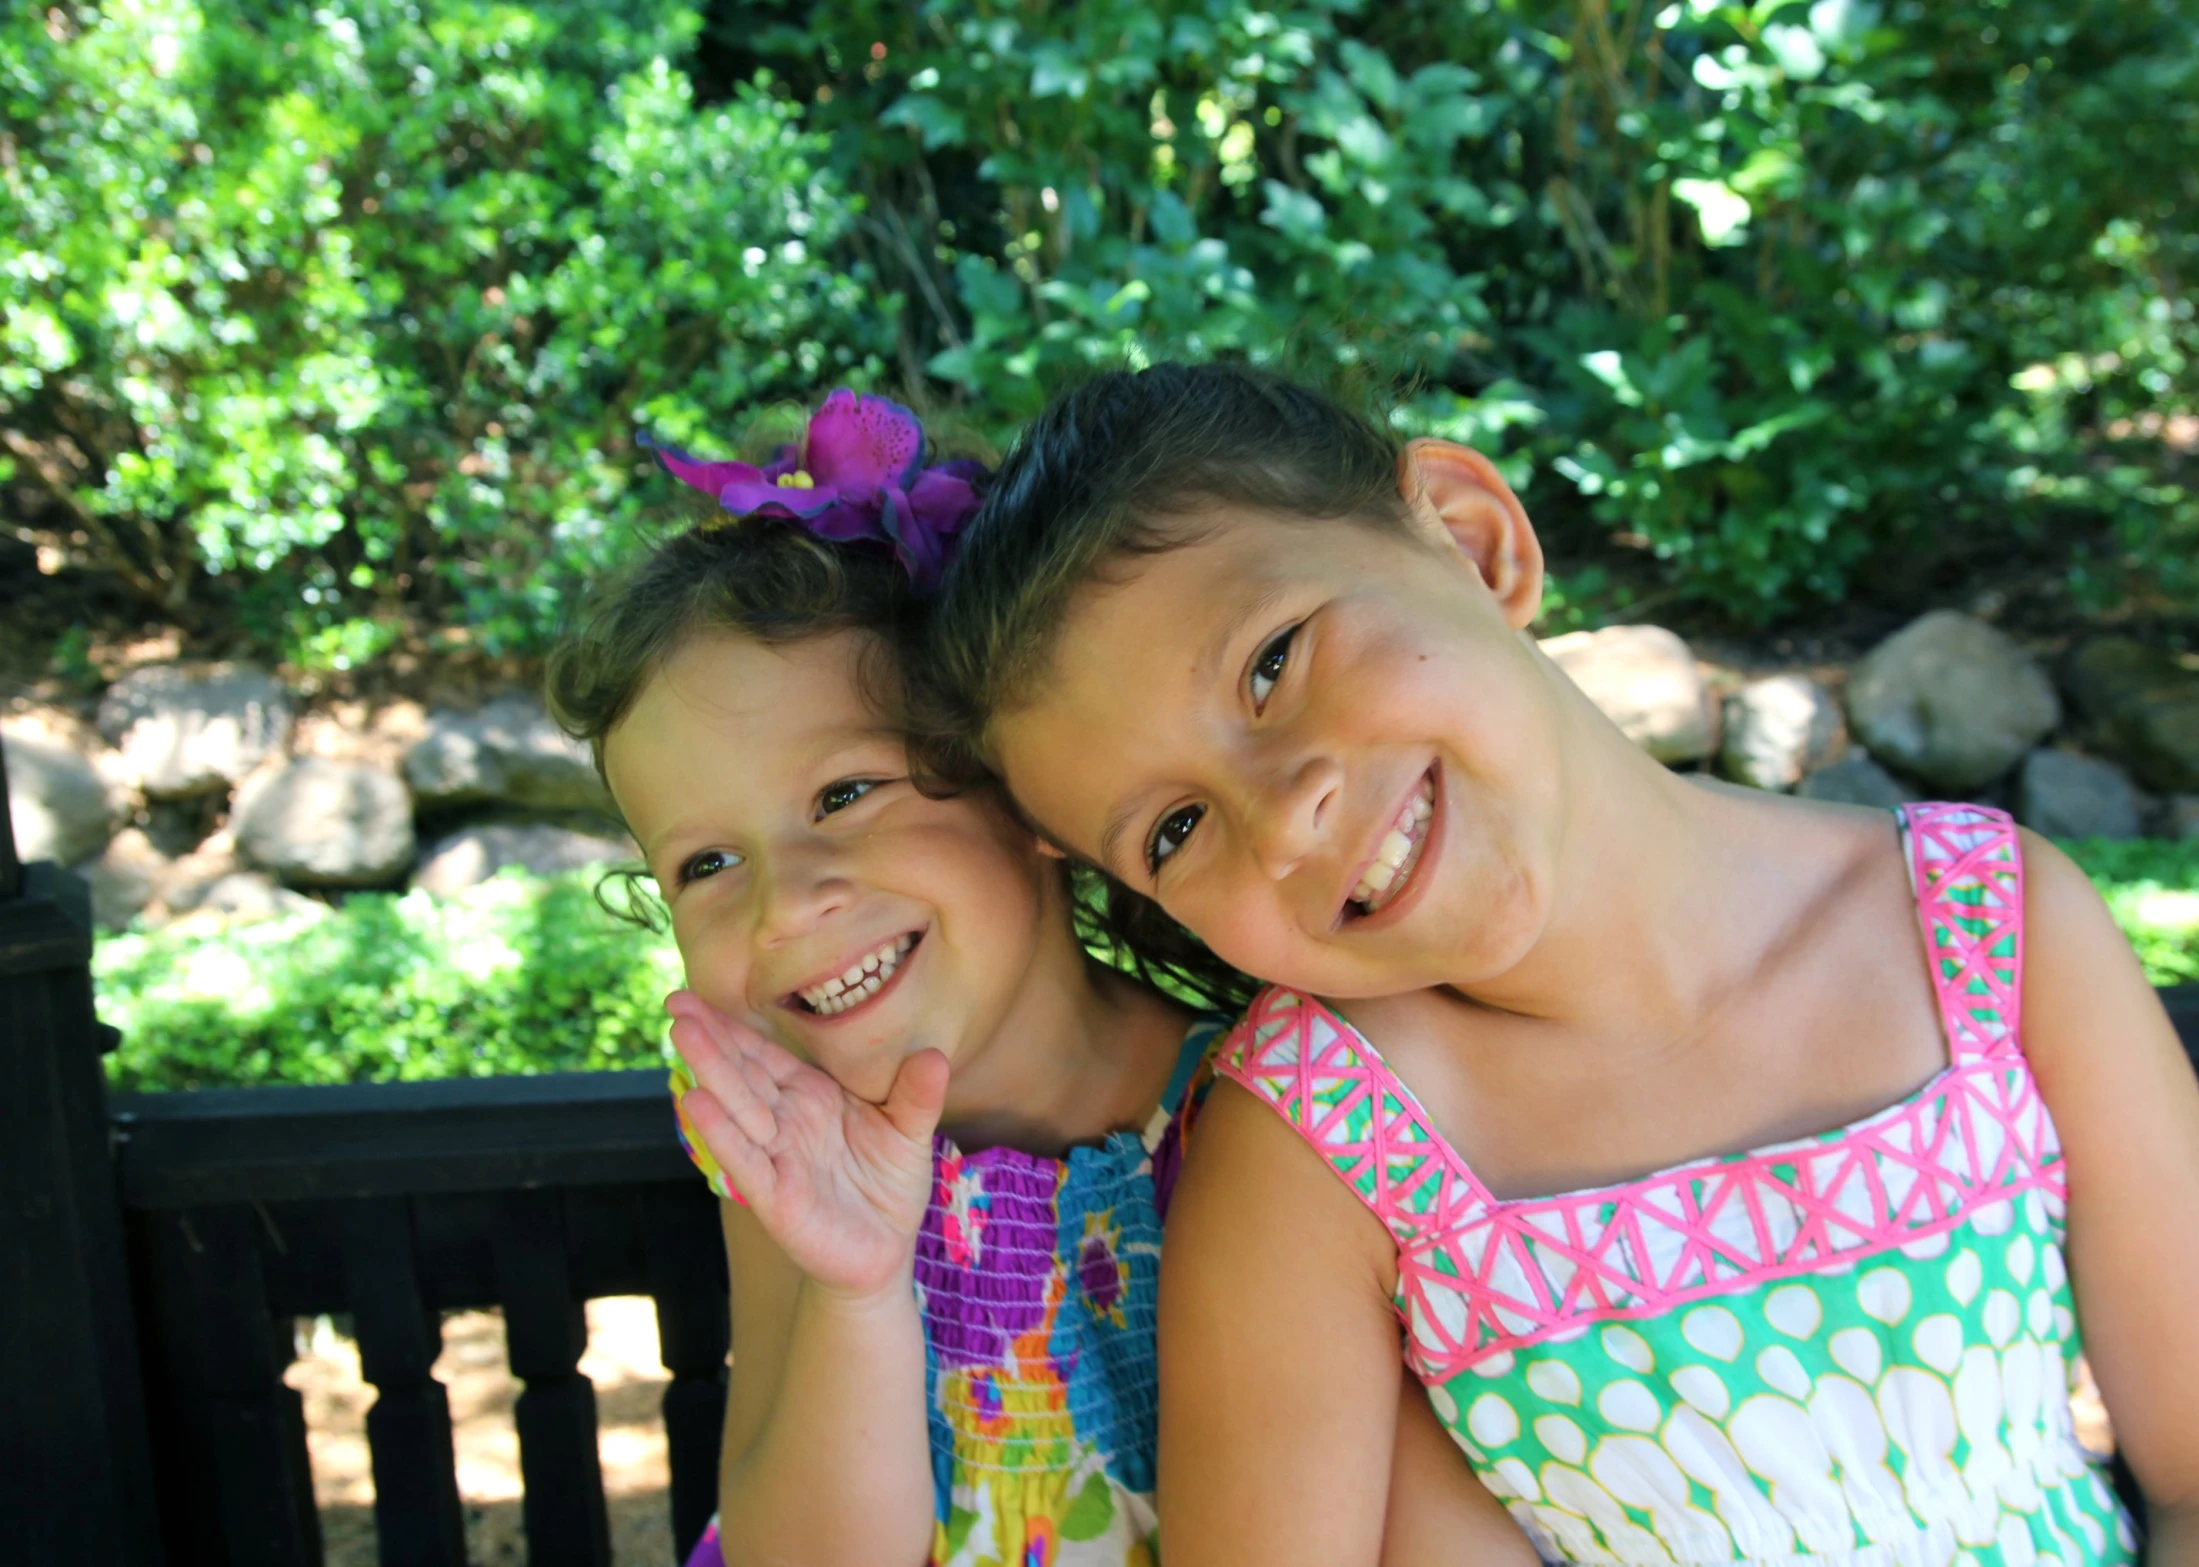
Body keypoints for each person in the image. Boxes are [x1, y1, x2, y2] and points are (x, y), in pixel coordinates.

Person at [918, 362, 2199, 1565]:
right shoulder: (1319, 1151)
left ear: (1472, 541)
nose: (1278, 810)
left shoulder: (1985, 924)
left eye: (1271, 661)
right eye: (1171, 828)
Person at [543, 389, 1540, 1567]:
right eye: (705, 862)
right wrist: (856, 1293)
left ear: (1022, 795)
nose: (786, 899)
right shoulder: (789, 1128)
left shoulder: (1283, 1104)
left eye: (845, 795)